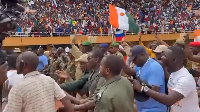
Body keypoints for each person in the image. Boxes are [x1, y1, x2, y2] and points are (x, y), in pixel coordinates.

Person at [132, 46, 200, 112]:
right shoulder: (174, 73)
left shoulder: (185, 79)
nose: (161, 57)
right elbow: (170, 78)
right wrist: (164, 67)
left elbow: (169, 100)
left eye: (165, 56)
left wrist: (143, 88)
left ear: (174, 59)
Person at [3, 51, 74, 112]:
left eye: (17, 62)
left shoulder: (18, 87)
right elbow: (68, 105)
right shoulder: (49, 80)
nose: (16, 65)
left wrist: (6, 98)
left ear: (24, 64)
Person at [129, 45, 167, 112]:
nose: (133, 62)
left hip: (155, 109)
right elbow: (130, 71)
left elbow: (155, 90)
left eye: (134, 59)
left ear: (142, 55)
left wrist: (140, 87)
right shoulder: (140, 65)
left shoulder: (154, 67)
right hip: (144, 108)